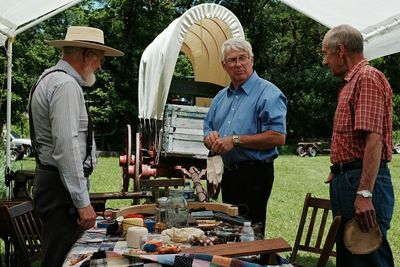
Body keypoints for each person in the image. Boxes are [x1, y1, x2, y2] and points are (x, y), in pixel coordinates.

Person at [29, 26, 123, 266]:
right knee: (62, 258)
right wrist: (82, 203)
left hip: (54, 184)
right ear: (87, 55)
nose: (100, 66)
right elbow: (66, 147)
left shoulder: (50, 78)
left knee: (60, 255)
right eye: (100, 59)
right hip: (60, 188)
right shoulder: (66, 86)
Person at [322, 24, 394, 267]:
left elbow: (374, 139)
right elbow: (353, 138)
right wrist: (338, 167)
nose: (324, 61)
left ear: (340, 49)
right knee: (351, 258)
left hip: (361, 183)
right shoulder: (350, 82)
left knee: (367, 257)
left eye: (326, 53)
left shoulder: (367, 77)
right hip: (348, 179)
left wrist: (365, 193)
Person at [203, 38, 287, 236]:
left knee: (251, 233)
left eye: (243, 58)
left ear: (252, 60)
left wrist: (235, 140)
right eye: (232, 60)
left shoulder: (269, 93)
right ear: (224, 66)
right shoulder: (221, 97)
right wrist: (210, 137)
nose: (238, 64)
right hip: (229, 174)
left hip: (255, 174)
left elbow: (278, 137)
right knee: (230, 229)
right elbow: (208, 127)